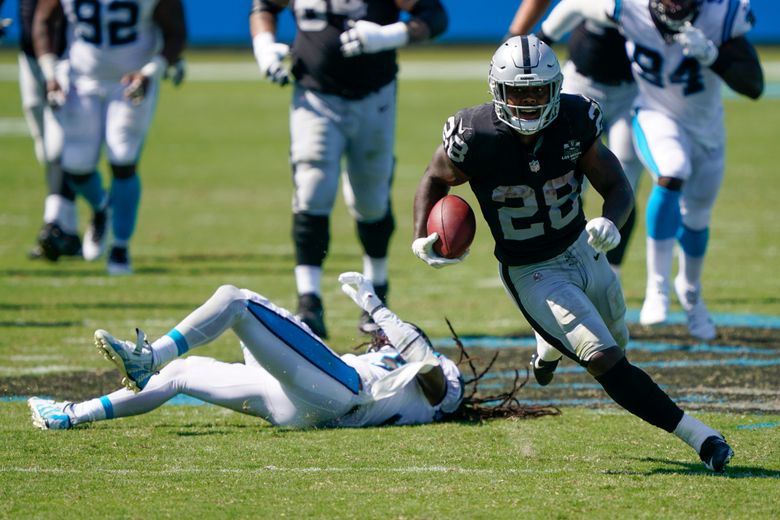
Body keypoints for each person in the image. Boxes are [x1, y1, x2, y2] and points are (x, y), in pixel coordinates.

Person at [411, 35, 733, 472]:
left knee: (620, 340)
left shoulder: (576, 117)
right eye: (517, 93)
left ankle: (547, 344)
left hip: (582, 248)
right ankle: (702, 438)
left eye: (537, 92)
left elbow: (617, 185)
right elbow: (435, 177)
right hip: (531, 269)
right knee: (606, 359)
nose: (527, 103)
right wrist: (421, 235)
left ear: (556, 88)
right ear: (497, 91)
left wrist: (608, 222)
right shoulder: (475, 134)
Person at [538, 0, 763, 340]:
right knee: (671, 171)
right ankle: (654, 289)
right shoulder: (628, 7)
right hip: (653, 112)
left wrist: (713, 57)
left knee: (697, 216)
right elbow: (575, 3)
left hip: (705, 127)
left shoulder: (722, 14)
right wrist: (539, 39)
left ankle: (689, 292)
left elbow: (754, 84)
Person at [27, 273, 464, 430]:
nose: (381, 336)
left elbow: (426, 364)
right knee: (183, 373)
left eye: (390, 334)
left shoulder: (437, 374)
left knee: (236, 299)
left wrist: (379, 308)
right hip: (301, 405)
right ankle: (72, 414)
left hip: (344, 395)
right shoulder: (385, 360)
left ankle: (149, 356)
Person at [249, 0, 448, 338]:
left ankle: (376, 294)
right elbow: (264, 7)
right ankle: (308, 301)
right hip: (314, 96)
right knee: (312, 190)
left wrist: (390, 35)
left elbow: (433, 16)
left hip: (374, 96)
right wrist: (264, 47)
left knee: (370, 200)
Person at [32, 0, 187, 274]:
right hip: (80, 79)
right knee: (76, 168)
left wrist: (152, 70)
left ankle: (120, 246)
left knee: (123, 158)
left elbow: (176, 31)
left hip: (131, 81)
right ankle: (102, 207)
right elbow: (43, 20)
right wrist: (49, 73)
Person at [508, 0, 644, 275]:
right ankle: (557, 259)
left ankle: (611, 271)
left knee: (626, 179)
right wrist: (535, 40)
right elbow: (574, 4)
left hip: (634, 90)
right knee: (564, 176)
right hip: (582, 84)